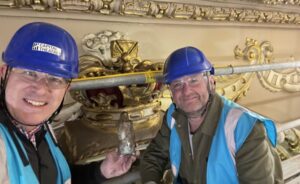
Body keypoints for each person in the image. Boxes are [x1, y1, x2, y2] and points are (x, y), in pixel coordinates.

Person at [0, 22, 135, 184]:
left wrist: (101, 171)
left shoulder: (42, 126)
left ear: (66, 88)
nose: (42, 89)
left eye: (55, 79)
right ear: (3, 73)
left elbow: (52, 177)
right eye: (29, 73)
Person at [140, 46, 283, 184]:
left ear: (211, 82)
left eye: (193, 80)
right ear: (171, 92)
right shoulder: (173, 115)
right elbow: (154, 156)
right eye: (177, 84)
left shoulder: (243, 128)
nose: (186, 91)